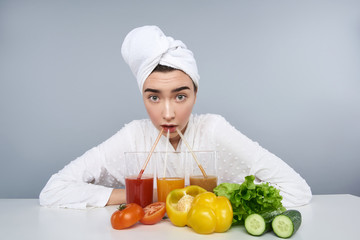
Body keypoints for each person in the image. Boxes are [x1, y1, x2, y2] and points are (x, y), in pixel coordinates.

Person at [39, 25, 312, 209]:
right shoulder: (134, 136)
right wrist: (146, 196)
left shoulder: (213, 130)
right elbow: (53, 191)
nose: (167, 114)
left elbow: (297, 190)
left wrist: (225, 199)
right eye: (154, 97)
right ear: (142, 97)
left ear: (195, 94)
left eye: (180, 96)